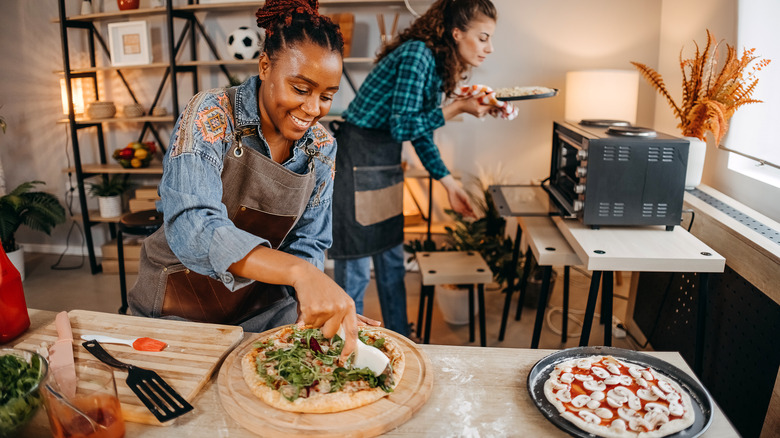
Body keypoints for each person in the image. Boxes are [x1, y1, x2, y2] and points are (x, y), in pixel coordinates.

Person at [128, 0, 366, 357]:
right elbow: (193, 227)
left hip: (265, 314)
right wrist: (301, 274)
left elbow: (309, 243)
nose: (313, 109)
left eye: (326, 96)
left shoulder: (322, 146)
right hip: (178, 314)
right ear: (265, 66)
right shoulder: (210, 115)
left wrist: (314, 303)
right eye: (301, 89)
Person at [329, 0, 498, 336]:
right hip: (356, 158)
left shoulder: (434, 66)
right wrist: (456, 109)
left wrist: (450, 186)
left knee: (392, 264)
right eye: (483, 38)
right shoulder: (416, 54)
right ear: (456, 32)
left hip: (384, 162)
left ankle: (398, 339)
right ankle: (348, 346)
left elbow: (418, 134)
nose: (489, 49)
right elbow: (402, 127)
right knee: (357, 270)